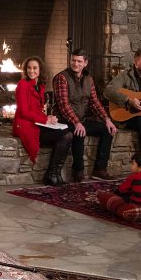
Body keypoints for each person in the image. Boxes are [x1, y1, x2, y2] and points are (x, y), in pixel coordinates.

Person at [52, 48, 117, 182]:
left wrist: (107, 119)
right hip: (64, 120)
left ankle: (100, 169)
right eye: (73, 60)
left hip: (81, 119)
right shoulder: (61, 78)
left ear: (85, 63)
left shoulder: (89, 79)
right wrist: (76, 122)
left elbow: (94, 102)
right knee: (79, 132)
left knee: (107, 130)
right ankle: (78, 171)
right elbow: (63, 105)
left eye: (79, 61)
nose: (75, 64)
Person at [12, 56, 73, 186]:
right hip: (24, 125)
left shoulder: (40, 85)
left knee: (68, 133)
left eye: (34, 68)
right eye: (28, 68)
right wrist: (45, 119)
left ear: (40, 70)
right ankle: (52, 174)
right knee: (66, 135)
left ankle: (54, 173)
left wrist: (49, 118)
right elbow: (23, 111)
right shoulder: (22, 84)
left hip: (36, 122)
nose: (31, 71)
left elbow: (38, 110)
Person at [97, 151, 141, 221]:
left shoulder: (132, 177)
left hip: (137, 203)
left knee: (120, 193)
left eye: (132, 164)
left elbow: (121, 190)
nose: (131, 166)